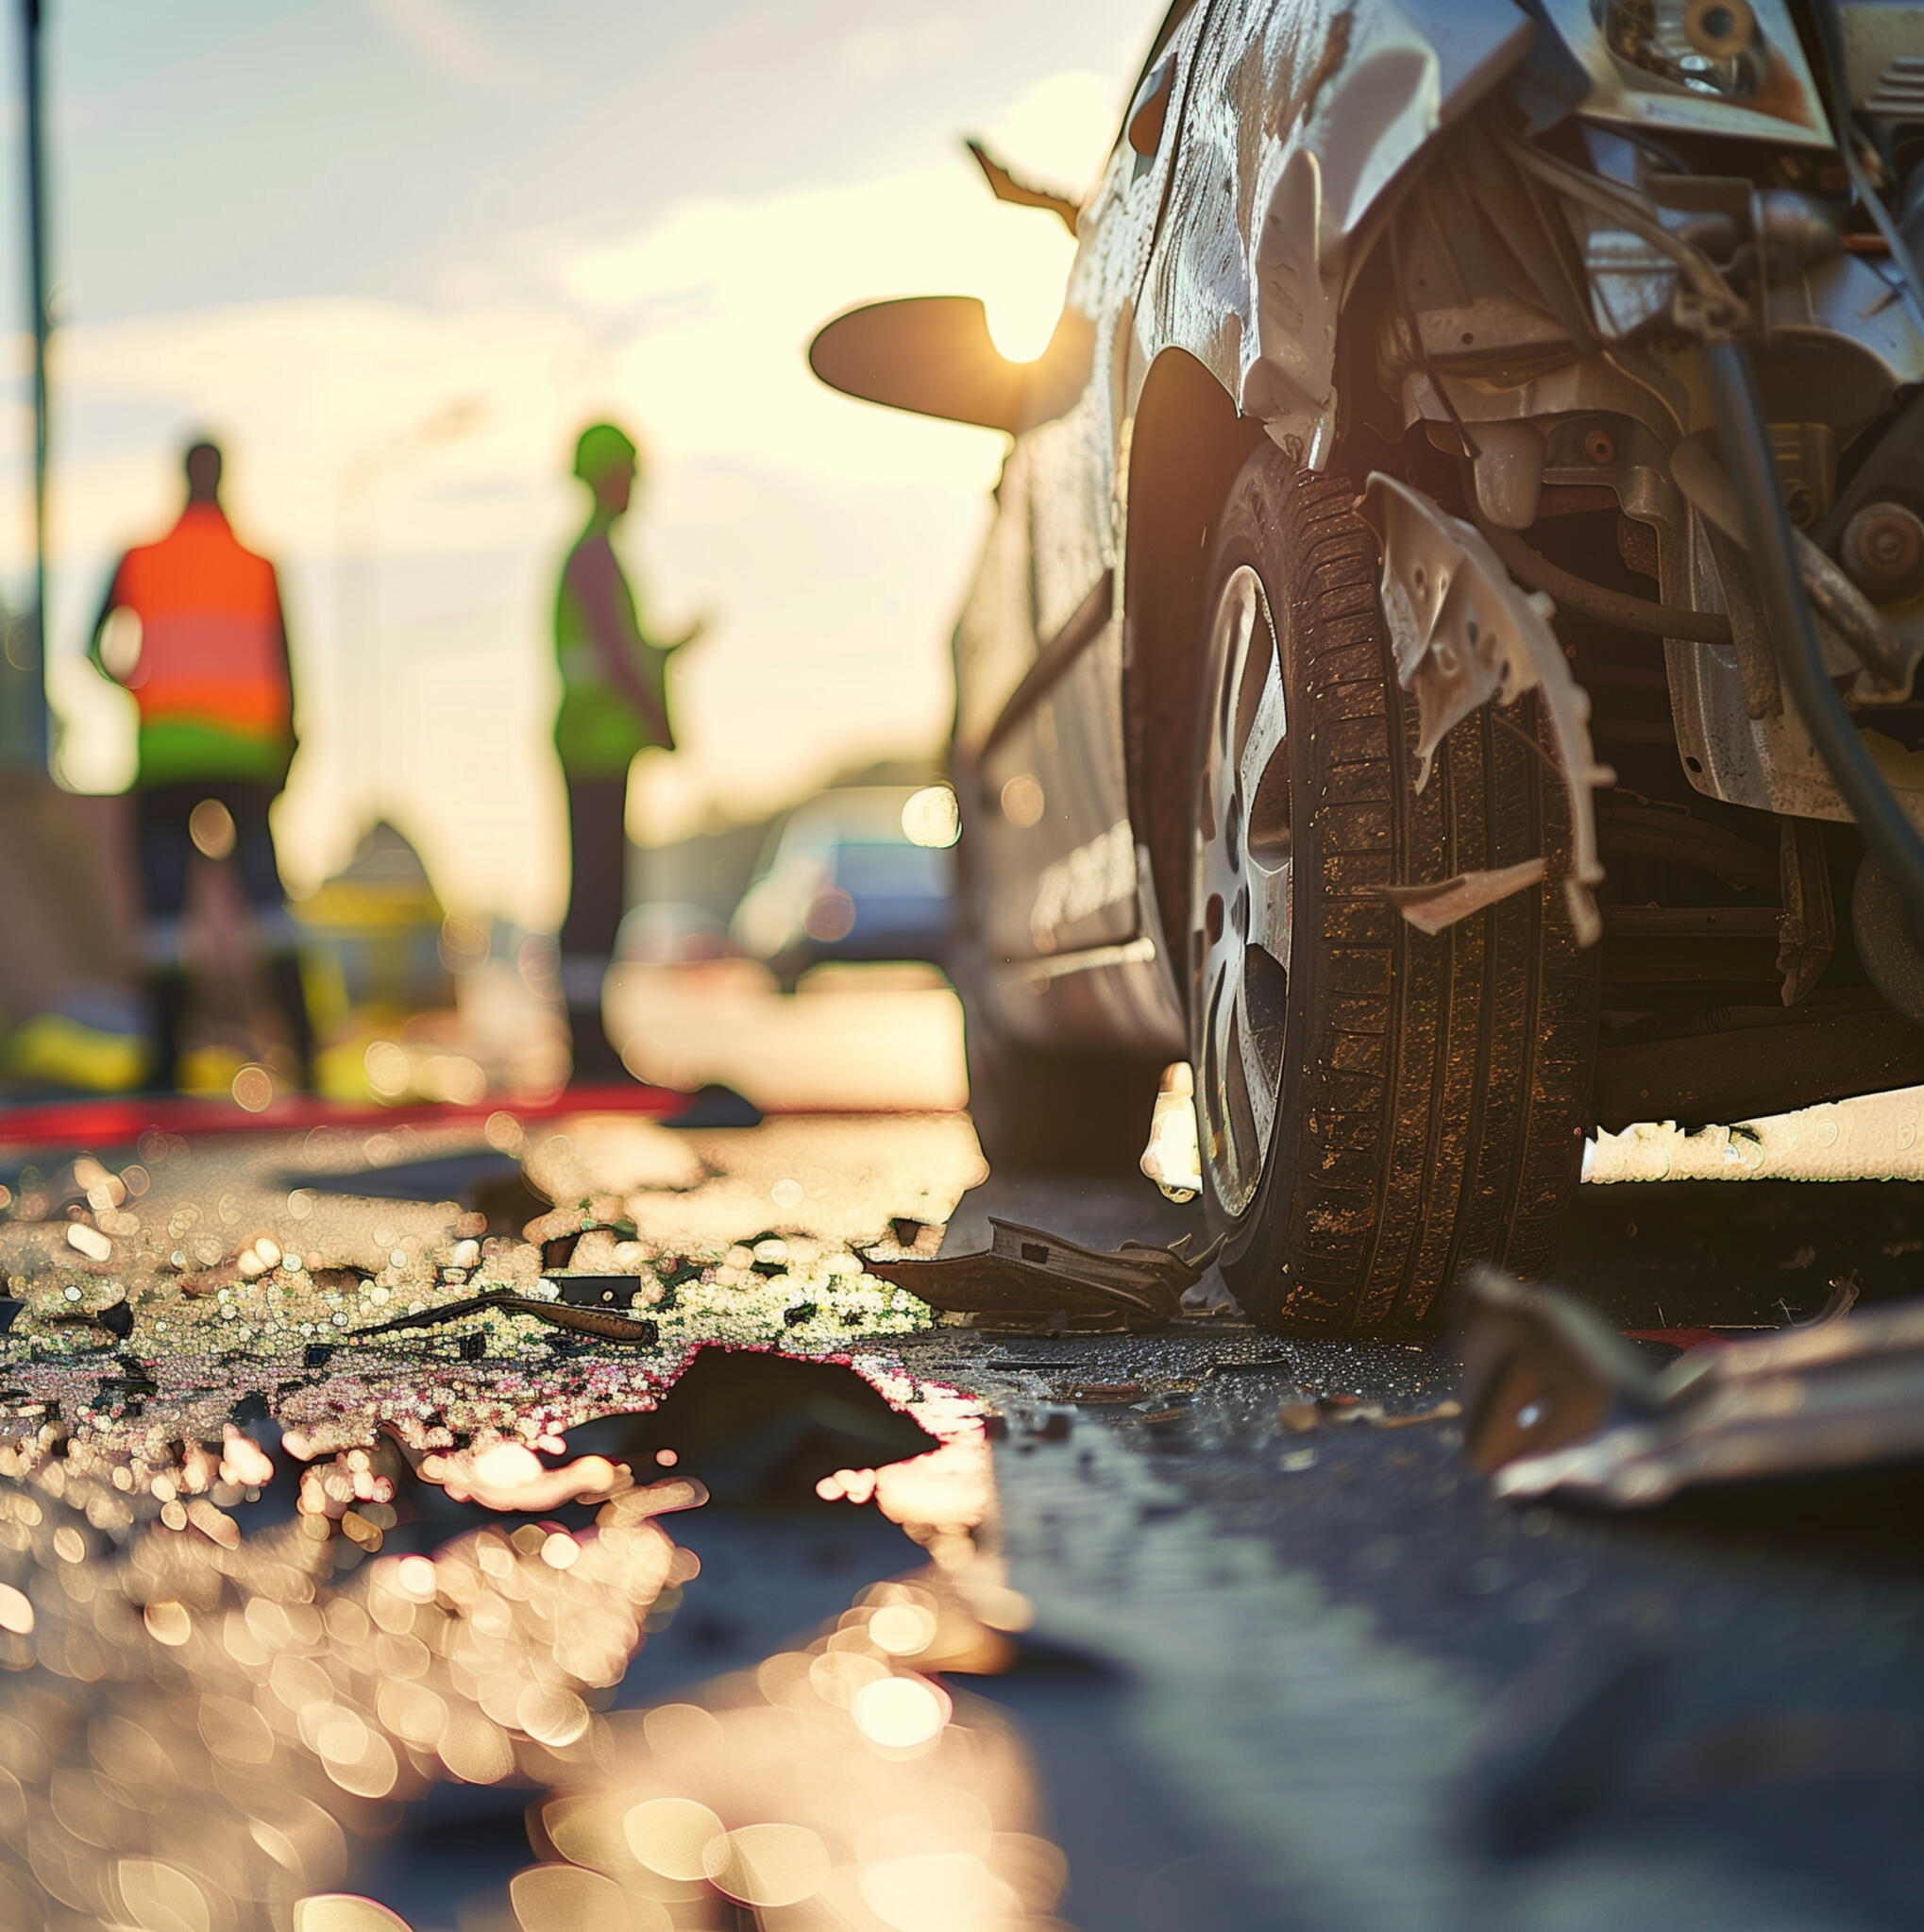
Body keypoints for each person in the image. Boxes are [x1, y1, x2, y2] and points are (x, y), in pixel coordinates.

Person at [89, 438, 314, 1092]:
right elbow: (286, 663)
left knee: (164, 917)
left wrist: (142, 686)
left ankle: (165, 1062)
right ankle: (303, 1049)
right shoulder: (258, 564)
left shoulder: (142, 558)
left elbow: (94, 647)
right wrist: (288, 750)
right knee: (268, 906)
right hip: (245, 760)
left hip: (167, 757)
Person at [553, 420, 701, 1082]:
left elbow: (624, 650)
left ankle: (589, 1043)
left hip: (601, 747)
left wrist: (668, 654)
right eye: (630, 470)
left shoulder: (594, 555)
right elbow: (615, 658)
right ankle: (586, 1049)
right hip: (594, 747)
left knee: (599, 891)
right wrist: (656, 718)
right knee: (596, 894)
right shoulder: (593, 557)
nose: (638, 483)